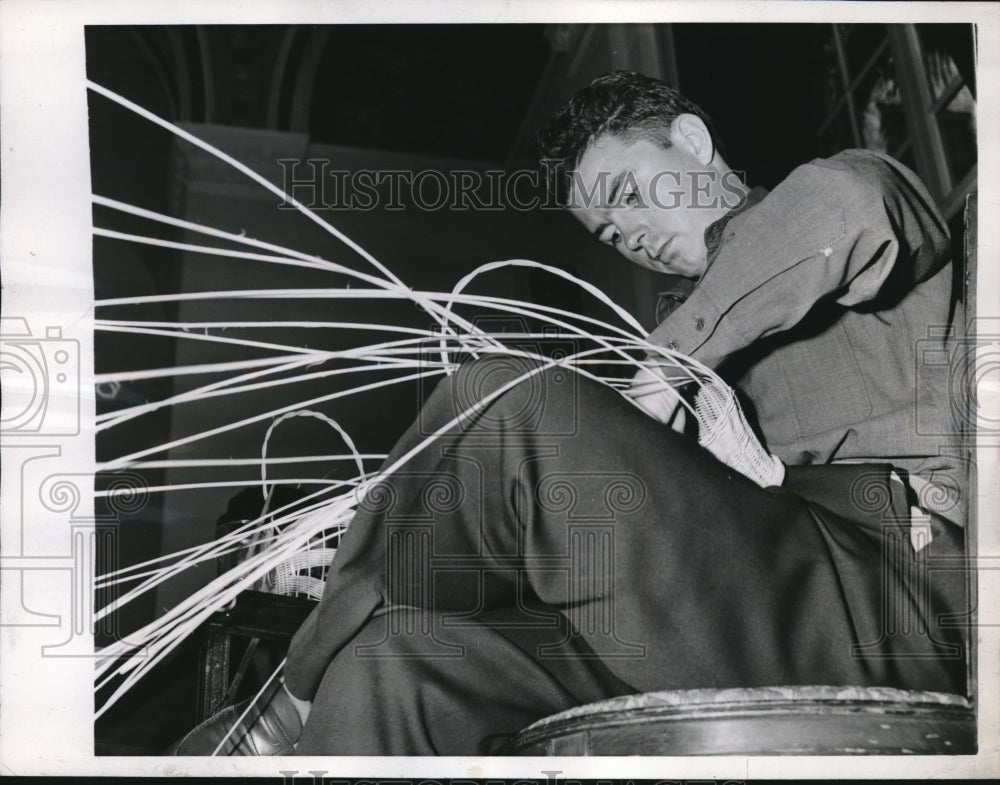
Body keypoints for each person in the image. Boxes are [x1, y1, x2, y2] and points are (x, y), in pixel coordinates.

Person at [172, 71, 969, 756]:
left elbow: (847, 209)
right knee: (393, 661)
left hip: (890, 591)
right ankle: (329, 678)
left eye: (628, 194)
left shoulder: (841, 190)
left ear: (692, 140)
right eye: (610, 230)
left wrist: (668, 364)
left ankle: (287, 703)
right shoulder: (683, 336)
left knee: (506, 399)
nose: (631, 237)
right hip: (722, 604)